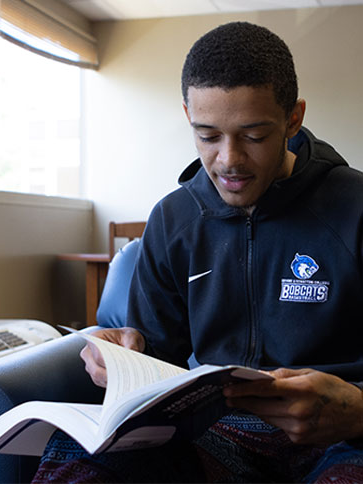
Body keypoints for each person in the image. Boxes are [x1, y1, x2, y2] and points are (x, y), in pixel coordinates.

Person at [32, 21, 363, 483]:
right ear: (187, 114)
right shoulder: (173, 219)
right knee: (78, 456)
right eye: (208, 135)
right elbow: (155, 358)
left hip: (338, 439)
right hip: (217, 434)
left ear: (293, 118)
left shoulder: (354, 207)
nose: (229, 160)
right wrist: (125, 354)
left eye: (253, 135)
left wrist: (359, 410)